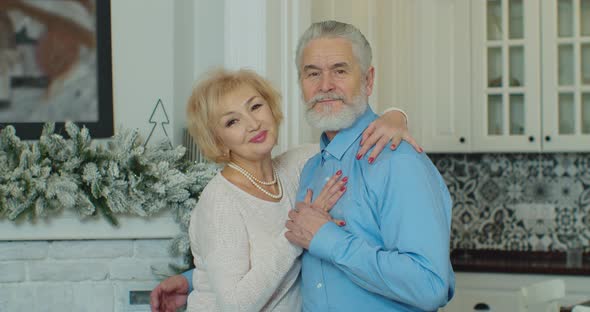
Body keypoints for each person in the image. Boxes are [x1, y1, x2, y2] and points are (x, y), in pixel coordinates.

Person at [151, 68, 418, 312]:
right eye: (232, 122)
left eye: (255, 106)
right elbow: (234, 305)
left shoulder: (299, 165)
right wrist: (298, 233)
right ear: (218, 141)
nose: (253, 124)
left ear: (271, 108)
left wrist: (396, 116)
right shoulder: (220, 201)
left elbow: (354, 143)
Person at [283, 20, 455, 311]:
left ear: (368, 80)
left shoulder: (398, 161)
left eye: (340, 70)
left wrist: (329, 239)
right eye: (313, 73)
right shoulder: (310, 167)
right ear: (301, 84)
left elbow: (430, 286)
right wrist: (194, 282)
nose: (325, 86)